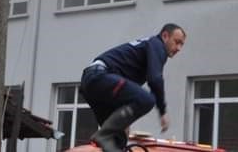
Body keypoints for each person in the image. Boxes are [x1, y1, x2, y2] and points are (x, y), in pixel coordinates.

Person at [80, 23, 187, 152]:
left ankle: (106, 138)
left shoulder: (147, 47)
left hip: (93, 83)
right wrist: (162, 111)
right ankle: (103, 135)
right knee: (146, 100)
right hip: (100, 76)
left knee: (118, 140)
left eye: (182, 44)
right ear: (165, 36)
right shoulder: (156, 44)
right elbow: (155, 79)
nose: (179, 48)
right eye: (177, 42)